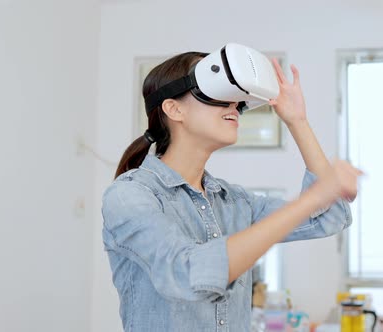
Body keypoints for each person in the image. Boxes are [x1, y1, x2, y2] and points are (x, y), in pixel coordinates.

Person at [101, 50, 363, 331]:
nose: (233, 106)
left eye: (236, 101)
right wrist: (312, 198)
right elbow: (188, 273)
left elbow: (329, 216)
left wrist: (297, 122)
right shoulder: (130, 196)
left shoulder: (235, 202)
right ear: (174, 109)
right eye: (216, 94)